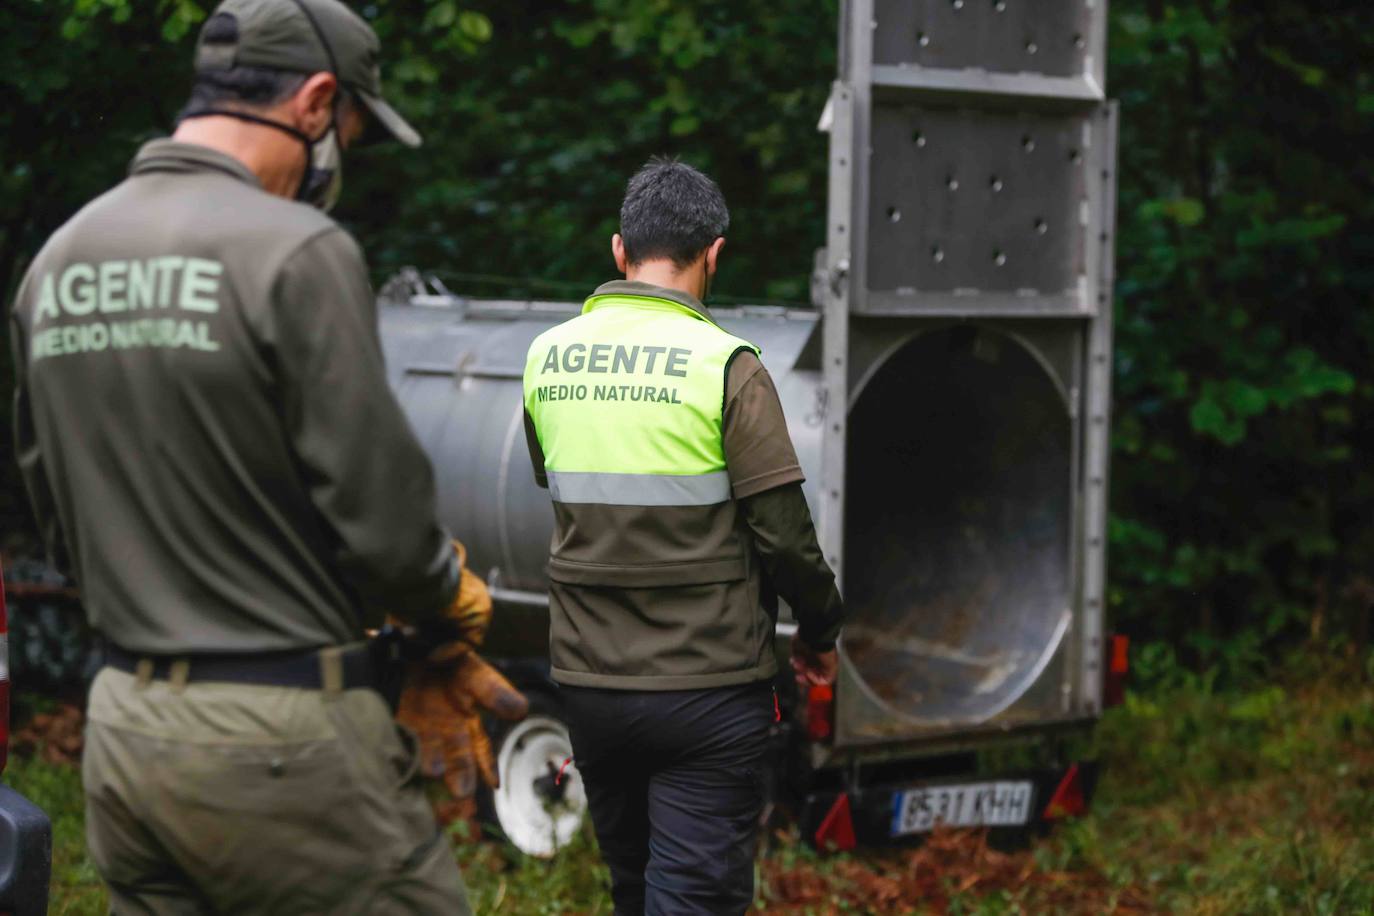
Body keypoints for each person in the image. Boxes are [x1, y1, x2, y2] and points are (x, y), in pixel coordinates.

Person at [8, 1, 517, 912]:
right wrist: (446, 605)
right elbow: (387, 527)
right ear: (317, 104)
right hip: (281, 737)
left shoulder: (59, 261)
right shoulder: (296, 251)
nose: (337, 168)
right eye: (350, 136)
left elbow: (58, 515)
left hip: (124, 725)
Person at [521, 158, 847, 915]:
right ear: (714, 253)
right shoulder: (726, 367)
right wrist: (819, 629)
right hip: (708, 693)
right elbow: (786, 538)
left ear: (618, 250)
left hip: (591, 685)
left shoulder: (546, 358)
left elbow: (565, 489)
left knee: (633, 891)